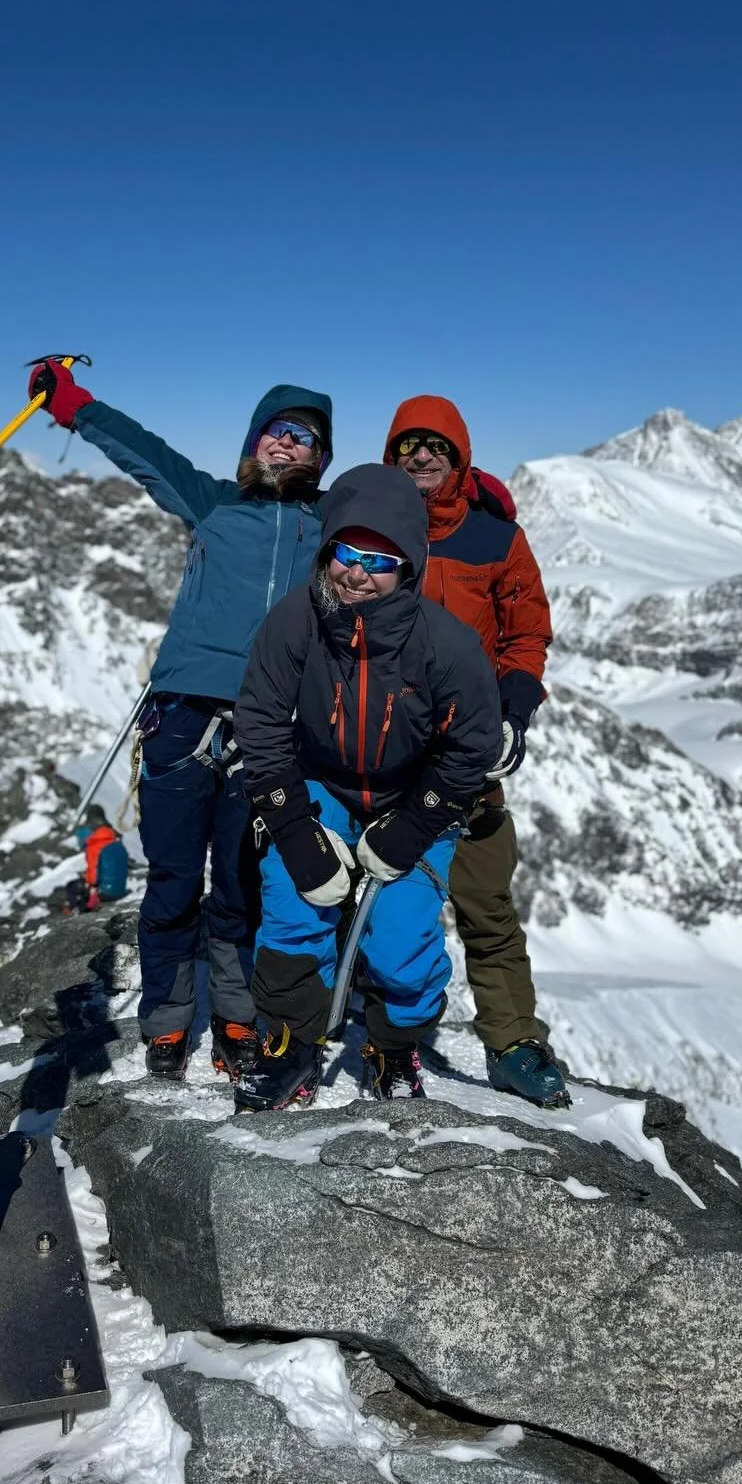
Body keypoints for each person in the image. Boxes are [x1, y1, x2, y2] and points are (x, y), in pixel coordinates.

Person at [29, 359, 333, 1080]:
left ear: (321, 459)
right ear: (256, 441)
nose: (288, 445)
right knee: (171, 883)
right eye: (277, 431)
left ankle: (234, 1018)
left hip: (268, 726)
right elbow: (146, 454)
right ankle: (167, 1023)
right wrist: (74, 406)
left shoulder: (328, 531)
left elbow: (401, 536)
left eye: (306, 439)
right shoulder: (213, 502)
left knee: (237, 888)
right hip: (182, 716)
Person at [233, 463, 502, 1110]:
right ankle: (292, 1040)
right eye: (346, 553)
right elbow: (261, 724)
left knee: (403, 936)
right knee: (294, 905)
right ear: (327, 552)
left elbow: (474, 747)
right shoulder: (294, 622)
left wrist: (413, 826)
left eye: (379, 559)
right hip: (320, 781)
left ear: (409, 565)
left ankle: (392, 1041)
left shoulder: (446, 645)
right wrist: (296, 831)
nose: (357, 572)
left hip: (412, 791)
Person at [383, 396, 566, 1108]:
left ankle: (514, 1041)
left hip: (467, 752)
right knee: (382, 894)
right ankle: (381, 1031)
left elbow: (526, 633)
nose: (421, 457)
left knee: (485, 900)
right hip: (380, 748)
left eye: (437, 446)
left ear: (460, 457)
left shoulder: (497, 541)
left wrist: (514, 715)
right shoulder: (372, 531)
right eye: (408, 446)